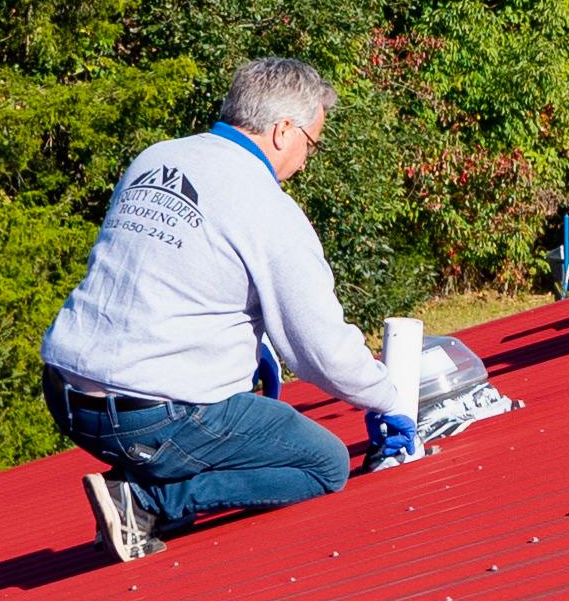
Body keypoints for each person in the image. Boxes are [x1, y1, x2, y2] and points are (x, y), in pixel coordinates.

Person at [39, 57, 408, 563]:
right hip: (147, 415)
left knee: (233, 422)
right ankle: (147, 501)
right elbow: (320, 350)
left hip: (67, 395)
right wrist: (389, 399)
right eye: (311, 145)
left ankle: (145, 476)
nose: (305, 161)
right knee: (324, 464)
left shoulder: (156, 158)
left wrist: (246, 344)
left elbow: (161, 277)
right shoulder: (268, 207)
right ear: (283, 131)